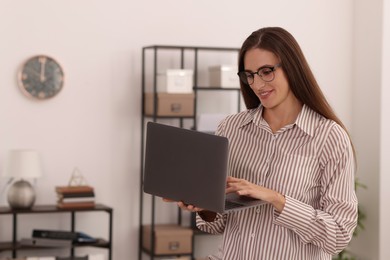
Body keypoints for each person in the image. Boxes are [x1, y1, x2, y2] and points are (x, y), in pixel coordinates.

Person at [170, 27, 358, 260]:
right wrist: (205, 206)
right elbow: (216, 226)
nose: (257, 84)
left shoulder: (329, 136)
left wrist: (277, 199)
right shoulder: (230, 129)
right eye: (249, 75)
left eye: (266, 71)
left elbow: (338, 235)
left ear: (292, 67)